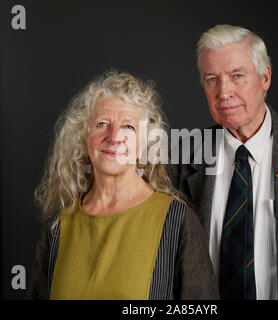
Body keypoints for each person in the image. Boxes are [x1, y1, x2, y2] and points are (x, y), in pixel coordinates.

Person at [169, 24, 278, 300]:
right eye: (212, 79)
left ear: (265, 78)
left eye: (237, 76)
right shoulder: (180, 159)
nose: (224, 92)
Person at [27, 70, 219, 300]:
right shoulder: (57, 227)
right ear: (83, 138)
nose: (114, 136)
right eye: (102, 123)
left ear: (144, 145)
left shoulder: (177, 221)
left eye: (128, 127)